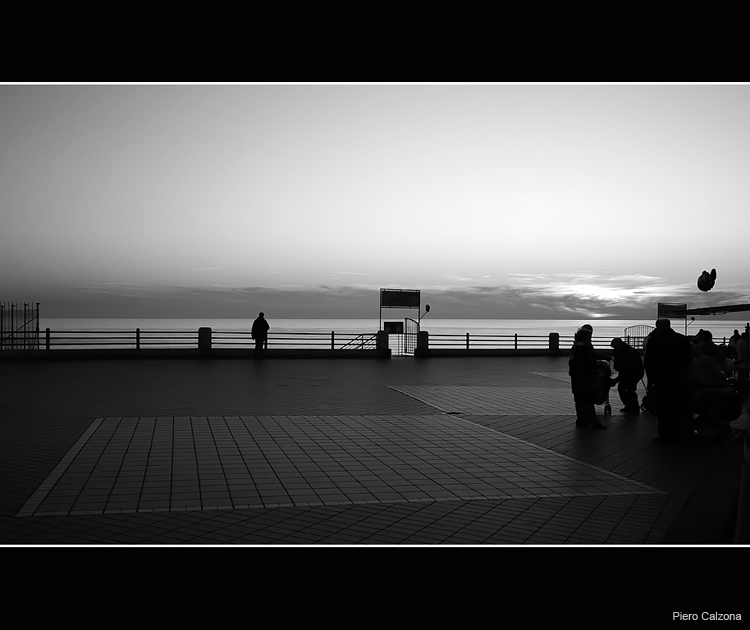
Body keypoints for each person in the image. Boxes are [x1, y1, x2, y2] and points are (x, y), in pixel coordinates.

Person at [643, 319, 693, 439]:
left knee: (664, 407)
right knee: (678, 405)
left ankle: (664, 431)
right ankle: (678, 430)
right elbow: (688, 358)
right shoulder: (681, 339)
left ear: (658, 327)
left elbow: (649, 361)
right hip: (679, 377)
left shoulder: (655, 341)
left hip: (662, 378)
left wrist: (652, 379)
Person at [569, 325, 605, 429]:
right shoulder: (583, 348)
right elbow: (587, 363)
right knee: (587, 399)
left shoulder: (576, 347)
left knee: (580, 399)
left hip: (577, 378)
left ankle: (582, 420)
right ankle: (591, 420)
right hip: (584, 378)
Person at [610, 337, 644, 413]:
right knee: (625, 388)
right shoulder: (620, 350)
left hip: (635, 372)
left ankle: (633, 406)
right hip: (631, 372)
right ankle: (630, 405)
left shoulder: (628, 352)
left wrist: (617, 379)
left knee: (629, 389)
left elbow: (626, 369)